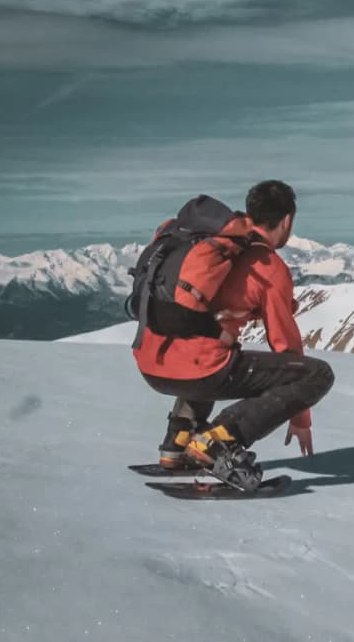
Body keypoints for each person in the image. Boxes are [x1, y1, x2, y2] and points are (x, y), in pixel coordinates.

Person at [132, 180, 333, 488]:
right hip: (197, 371)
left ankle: (178, 442)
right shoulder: (268, 265)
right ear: (287, 220)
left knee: (213, 349)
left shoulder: (213, 245)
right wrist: (299, 416)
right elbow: (285, 347)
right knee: (317, 374)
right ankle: (218, 442)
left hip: (149, 361)